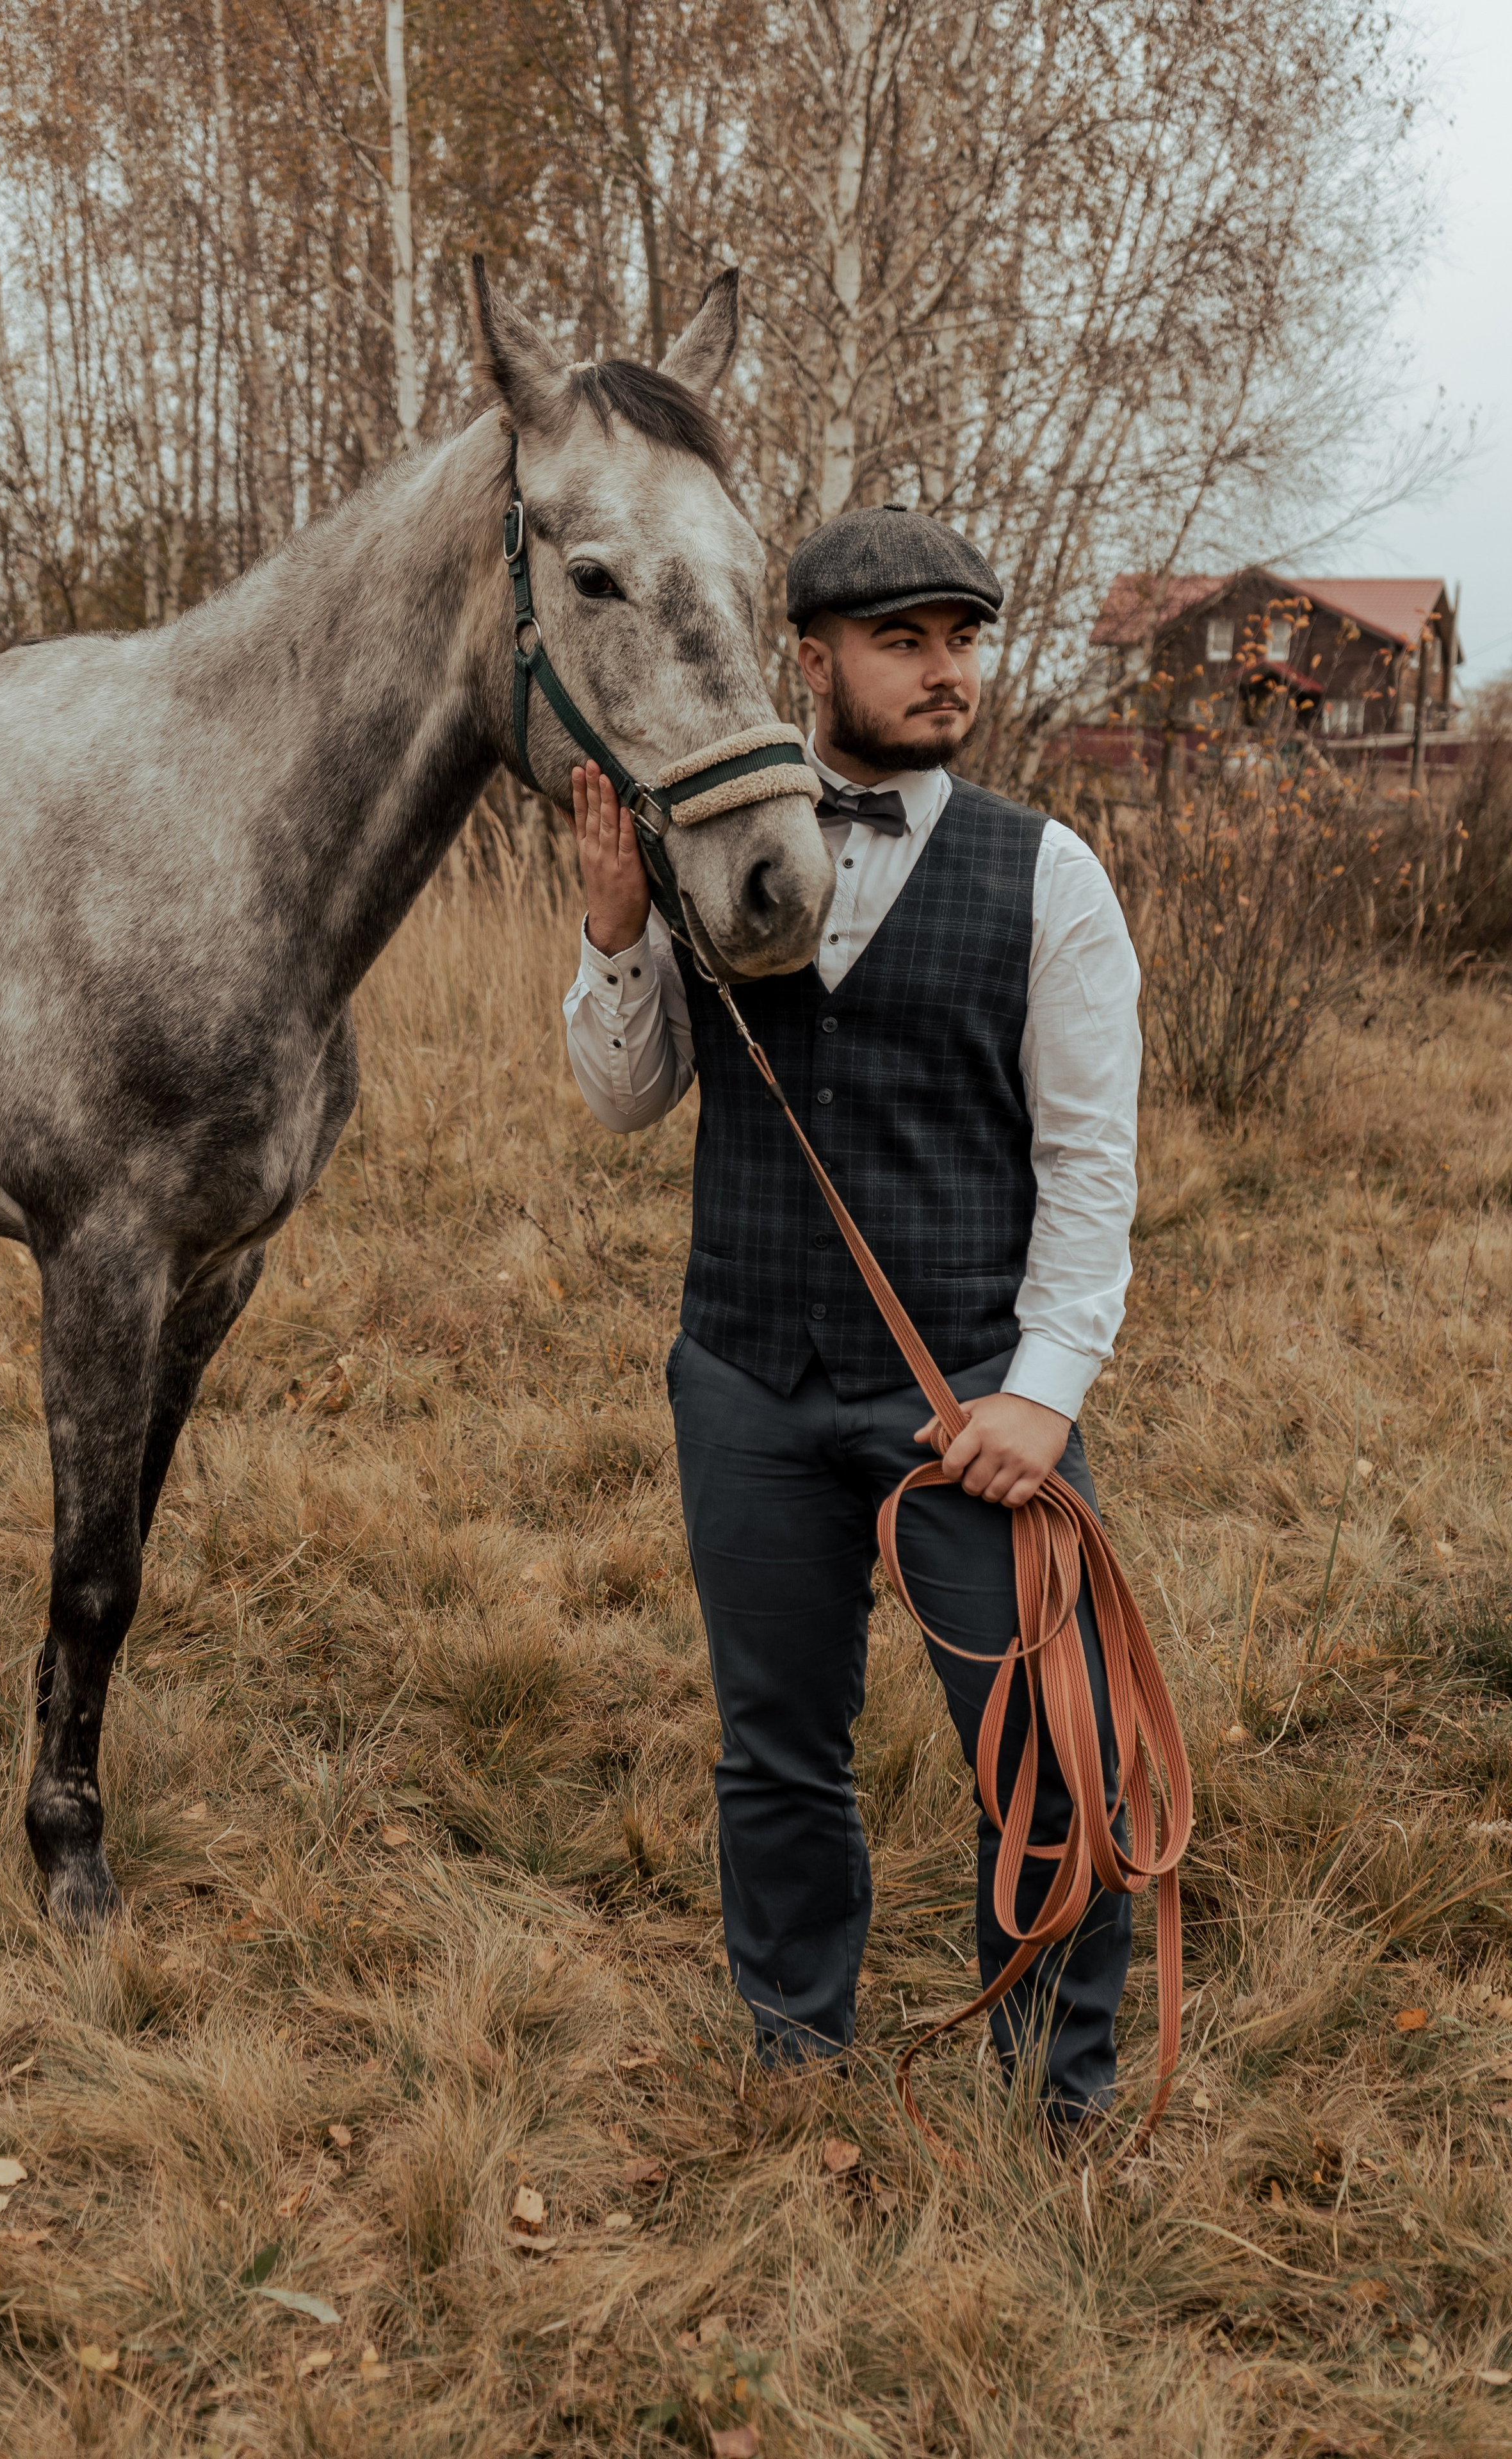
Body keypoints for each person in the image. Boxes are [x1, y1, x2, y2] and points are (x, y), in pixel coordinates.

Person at [561, 505, 1141, 2130]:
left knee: (1047, 1752)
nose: (945, 669)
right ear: (808, 661)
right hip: (741, 1375)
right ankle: (795, 2057)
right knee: (773, 1751)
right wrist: (615, 933)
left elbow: (1093, 1168)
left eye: (961, 639)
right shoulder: (710, 854)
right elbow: (621, 1101)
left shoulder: (1047, 874)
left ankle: (1053, 2101)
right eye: (905, 640)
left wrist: (1041, 1389)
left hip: (966, 1392)